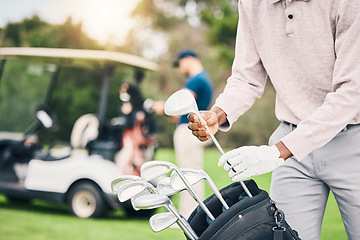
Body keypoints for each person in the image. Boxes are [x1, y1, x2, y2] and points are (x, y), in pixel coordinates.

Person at [187, 1, 360, 239]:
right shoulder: (251, 3)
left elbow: (352, 92)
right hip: (292, 146)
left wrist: (277, 152)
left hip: (353, 140)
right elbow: (246, 78)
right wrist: (218, 113)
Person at [152, 49, 214, 219]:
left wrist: (160, 107)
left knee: (187, 174)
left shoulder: (195, 80)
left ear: (187, 59)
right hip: (193, 131)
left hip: (188, 132)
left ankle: (189, 215)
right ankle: (195, 214)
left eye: (179, 64)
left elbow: (178, 109)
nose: (179, 69)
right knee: (192, 173)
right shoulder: (203, 79)